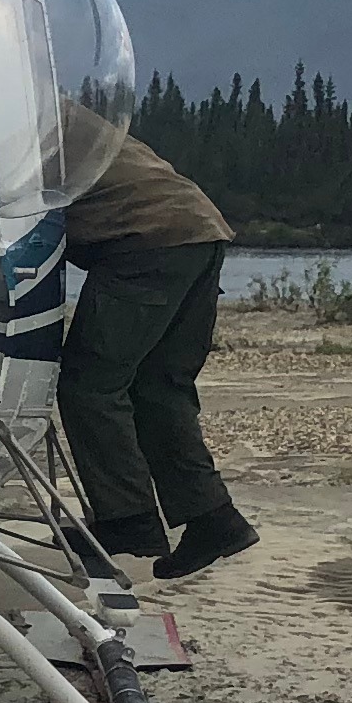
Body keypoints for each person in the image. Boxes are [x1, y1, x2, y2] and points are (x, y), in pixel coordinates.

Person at [57, 121, 256, 580]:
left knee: (90, 387)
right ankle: (215, 520)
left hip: (144, 240)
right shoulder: (60, 113)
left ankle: (129, 523)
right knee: (159, 387)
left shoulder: (6, 121)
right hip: (199, 227)